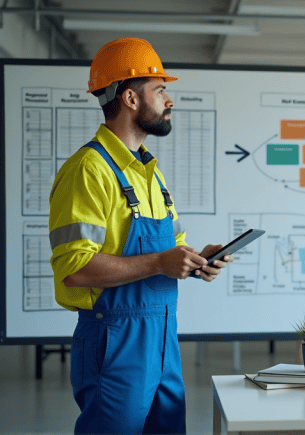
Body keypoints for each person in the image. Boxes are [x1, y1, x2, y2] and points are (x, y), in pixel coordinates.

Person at [48, 38, 231, 434]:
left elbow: (169, 253)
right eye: (161, 90)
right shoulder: (89, 170)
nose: (170, 100)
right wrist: (159, 262)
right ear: (130, 98)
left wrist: (200, 260)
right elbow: (74, 269)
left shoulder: (150, 174)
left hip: (163, 339)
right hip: (115, 340)